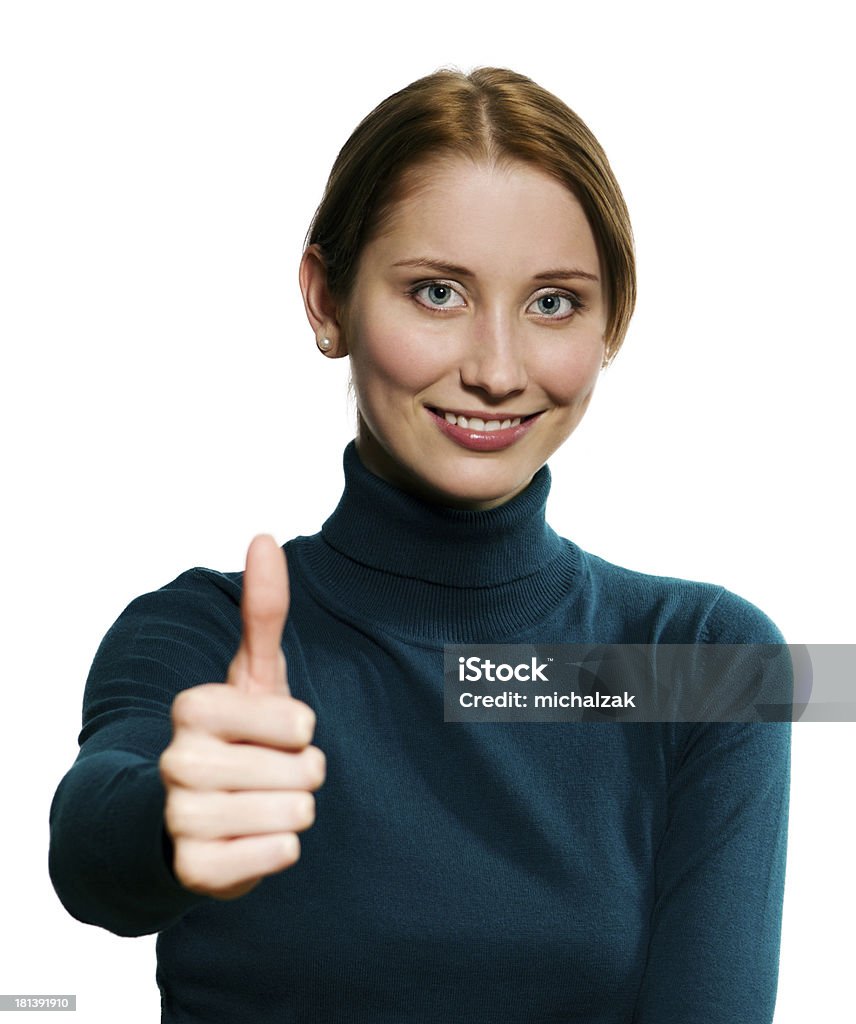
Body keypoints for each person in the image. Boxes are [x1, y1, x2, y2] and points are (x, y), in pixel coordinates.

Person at [48, 67, 790, 1022]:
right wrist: (168, 822)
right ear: (325, 298)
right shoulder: (200, 635)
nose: (495, 368)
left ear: (614, 323)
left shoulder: (709, 660)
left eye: (554, 302)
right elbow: (86, 853)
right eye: (437, 292)